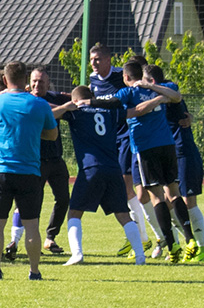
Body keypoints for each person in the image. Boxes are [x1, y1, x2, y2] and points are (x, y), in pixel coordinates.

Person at [80, 61, 195, 263]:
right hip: (167, 146)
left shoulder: (128, 93)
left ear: (125, 77)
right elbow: (176, 96)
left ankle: (173, 247)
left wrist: (88, 103)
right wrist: (156, 94)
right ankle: (190, 239)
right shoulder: (165, 88)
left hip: (145, 148)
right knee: (174, 193)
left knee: (157, 198)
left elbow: (112, 104)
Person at [53, 86, 170, 265]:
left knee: (74, 213)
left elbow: (48, 113)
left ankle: (77, 254)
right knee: (123, 214)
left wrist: (65, 107)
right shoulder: (109, 112)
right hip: (113, 169)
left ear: (75, 101)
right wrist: (158, 99)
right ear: (91, 96)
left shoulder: (75, 113)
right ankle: (140, 256)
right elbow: (137, 110)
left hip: (90, 169)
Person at [0, 61, 58, 280]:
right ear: (26, 79)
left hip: (0, 169)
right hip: (29, 170)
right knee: (31, 223)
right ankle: (34, 271)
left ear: (5, 80)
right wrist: (33, 133)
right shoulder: (39, 104)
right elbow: (52, 135)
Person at [88, 44, 152, 257]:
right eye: (91, 59)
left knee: (128, 188)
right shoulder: (93, 80)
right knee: (123, 189)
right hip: (108, 139)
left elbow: (142, 89)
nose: (94, 63)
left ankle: (144, 237)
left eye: (97, 59)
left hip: (127, 137)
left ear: (108, 60)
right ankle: (140, 235)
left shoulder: (121, 76)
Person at [143, 65, 204, 262]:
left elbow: (176, 96)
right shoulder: (153, 96)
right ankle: (184, 244)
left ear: (152, 81)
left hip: (184, 152)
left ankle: (201, 248)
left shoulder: (169, 88)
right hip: (169, 152)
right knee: (168, 201)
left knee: (188, 201)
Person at [28, 67, 70, 255]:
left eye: (41, 82)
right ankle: (28, 239)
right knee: (31, 201)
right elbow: (47, 112)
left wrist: (76, 97)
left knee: (63, 199)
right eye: (34, 81)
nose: (37, 85)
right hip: (34, 160)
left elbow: (77, 100)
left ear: (48, 83)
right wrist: (64, 109)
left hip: (56, 159)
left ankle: (50, 237)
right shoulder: (26, 100)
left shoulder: (56, 98)